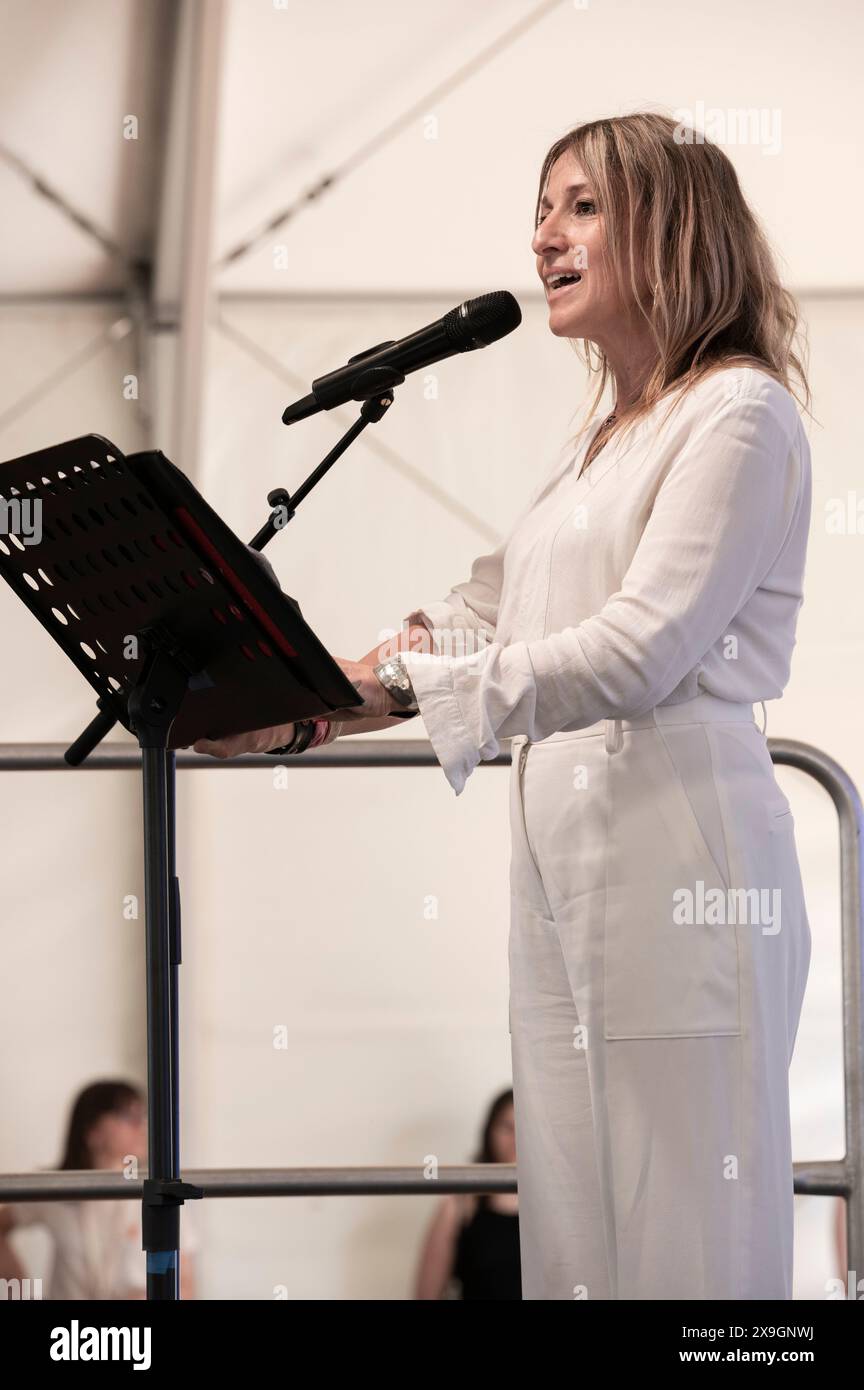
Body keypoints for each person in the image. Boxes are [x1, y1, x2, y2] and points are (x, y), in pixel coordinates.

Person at [193, 112, 813, 1301]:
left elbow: (641, 649)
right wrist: (303, 708)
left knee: (689, 1243)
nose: (545, 234)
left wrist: (428, 681)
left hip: (683, 867)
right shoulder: (598, 443)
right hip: (564, 875)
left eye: (583, 204)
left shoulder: (738, 413)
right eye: (541, 206)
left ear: (674, 227)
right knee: (573, 1239)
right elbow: (485, 616)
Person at [0, 1079, 197, 1299]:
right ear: (92, 1130)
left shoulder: (159, 1191)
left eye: (142, 1115)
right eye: (128, 1116)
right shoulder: (55, 1189)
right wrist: (17, 1289)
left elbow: (186, 1285)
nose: (141, 1125)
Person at [414, 1089, 520, 1300]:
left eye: (525, 1127)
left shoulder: (558, 1204)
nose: (516, 1138)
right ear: (490, 1131)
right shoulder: (460, 1204)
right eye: (507, 1127)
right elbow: (427, 1294)